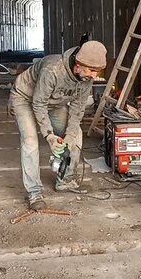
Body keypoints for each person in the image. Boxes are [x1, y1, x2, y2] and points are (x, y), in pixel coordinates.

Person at [8, 41, 107, 210]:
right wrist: (50, 136)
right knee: (30, 141)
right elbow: (38, 104)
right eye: (91, 70)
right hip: (25, 98)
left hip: (54, 102)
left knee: (75, 137)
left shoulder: (86, 78)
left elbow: (78, 108)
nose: (93, 75)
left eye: (96, 71)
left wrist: (68, 137)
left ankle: (65, 180)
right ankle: (34, 192)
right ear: (78, 65)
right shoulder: (53, 69)